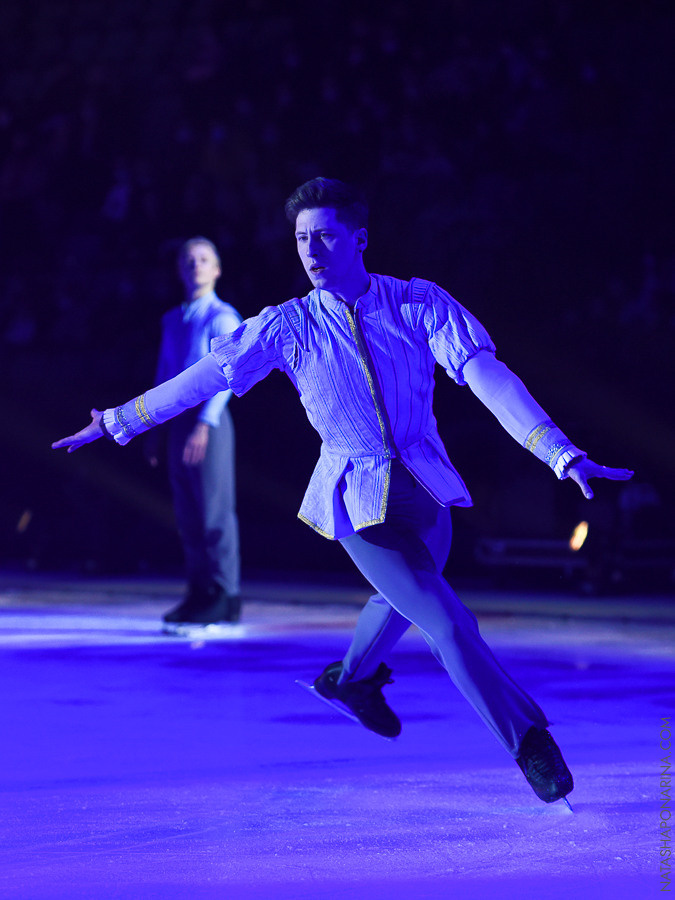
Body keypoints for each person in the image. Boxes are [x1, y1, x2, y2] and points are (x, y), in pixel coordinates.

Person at [53, 177, 633, 806]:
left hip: (427, 491)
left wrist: (556, 449)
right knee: (447, 621)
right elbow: (199, 380)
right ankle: (529, 742)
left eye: (325, 235)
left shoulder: (417, 303)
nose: (312, 250)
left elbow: (485, 376)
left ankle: (351, 681)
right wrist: (116, 421)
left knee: (400, 602)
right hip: (357, 500)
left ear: (360, 238)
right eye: (302, 238)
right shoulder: (287, 326)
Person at [149, 237, 242, 628]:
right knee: (187, 513)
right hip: (178, 420)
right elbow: (165, 373)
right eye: (189, 260)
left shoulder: (223, 316)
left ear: (217, 269)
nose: (196, 266)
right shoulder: (173, 319)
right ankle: (199, 589)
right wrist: (153, 425)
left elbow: (229, 376)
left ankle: (225, 594)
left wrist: (204, 423)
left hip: (210, 421)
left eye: (204, 260)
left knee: (214, 513)